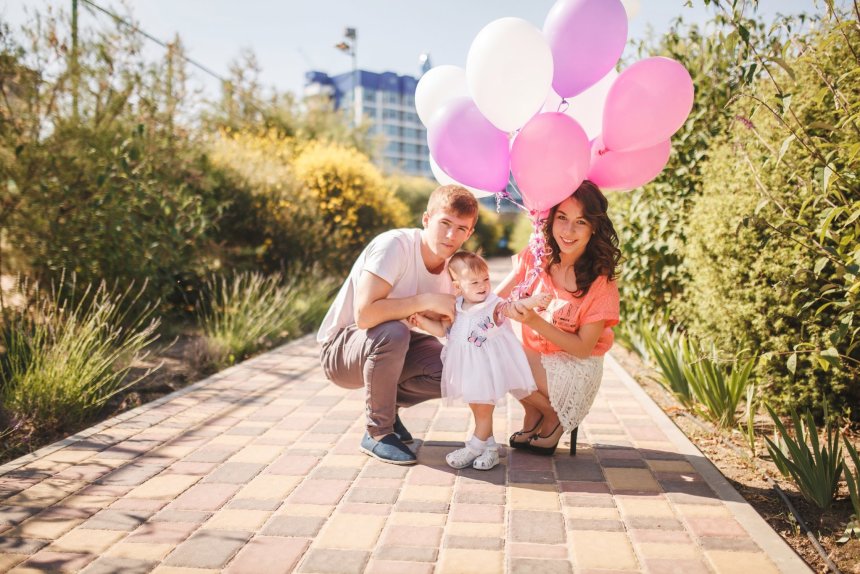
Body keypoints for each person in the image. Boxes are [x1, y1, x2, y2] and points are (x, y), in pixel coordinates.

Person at [317, 185, 479, 465]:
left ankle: (387, 410)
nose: (452, 235)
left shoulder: (453, 270)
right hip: (342, 349)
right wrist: (425, 300)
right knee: (394, 332)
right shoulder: (395, 245)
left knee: (455, 366)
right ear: (426, 220)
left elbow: (451, 326)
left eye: (461, 228)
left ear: (470, 233)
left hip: (392, 346)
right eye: (445, 224)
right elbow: (365, 315)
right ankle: (377, 431)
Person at [498, 180, 621, 456]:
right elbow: (496, 297)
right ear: (551, 219)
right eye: (562, 218)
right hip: (538, 356)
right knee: (488, 345)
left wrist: (534, 322)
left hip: (576, 367)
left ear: (593, 227)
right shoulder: (538, 255)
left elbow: (583, 348)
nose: (568, 231)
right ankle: (535, 412)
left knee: (500, 357)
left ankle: (553, 415)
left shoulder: (600, 281)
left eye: (580, 222)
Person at [408, 251, 550, 471]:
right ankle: (490, 449)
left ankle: (473, 447)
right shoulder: (455, 307)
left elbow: (513, 308)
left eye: (486, 279)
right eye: (474, 282)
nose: (483, 285)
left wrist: (534, 301)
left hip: (487, 369)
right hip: (466, 369)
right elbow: (443, 330)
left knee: (484, 410)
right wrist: (421, 322)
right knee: (477, 408)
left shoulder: (493, 305)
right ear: (458, 287)